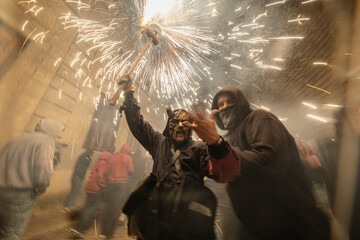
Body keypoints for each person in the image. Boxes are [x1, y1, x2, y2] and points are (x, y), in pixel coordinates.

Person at [186, 86, 331, 240]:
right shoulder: (230, 137)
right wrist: (205, 149)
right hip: (258, 228)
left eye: (230, 101)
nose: (225, 107)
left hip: (292, 223)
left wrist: (217, 144)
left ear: (241, 102)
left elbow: (269, 162)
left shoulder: (260, 119)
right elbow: (224, 173)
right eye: (220, 105)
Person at [121, 75, 216, 240]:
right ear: (169, 126)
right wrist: (129, 94)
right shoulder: (159, 142)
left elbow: (215, 170)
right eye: (175, 121)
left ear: (190, 128)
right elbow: (138, 124)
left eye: (184, 123)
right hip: (154, 218)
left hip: (183, 223)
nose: (180, 125)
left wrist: (214, 143)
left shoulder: (199, 148)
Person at [0, 118, 65, 240]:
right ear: (52, 131)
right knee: (11, 233)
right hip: (20, 194)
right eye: (59, 135)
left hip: (2, 189)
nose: (59, 138)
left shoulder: (19, 139)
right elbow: (43, 169)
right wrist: (41, 188)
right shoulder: (47, 142)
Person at [70, 151, 113, 238]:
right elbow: (100, 177)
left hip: (89, 188)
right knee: (91, 210)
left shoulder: (98, 162)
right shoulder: (103, 164)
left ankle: (77, 227)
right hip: (96, 190)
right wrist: (104, 185)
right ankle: (80, 229)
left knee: (86, 207)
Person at [100, 144, 133, 239]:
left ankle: (102, 233)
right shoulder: (128, 158)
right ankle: (109, 234)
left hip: (111, 185)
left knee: (108, 208)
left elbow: (106, 172)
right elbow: (131, 171)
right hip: (121, 186)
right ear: (127, 150)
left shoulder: (113, 158)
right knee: (115, 209)